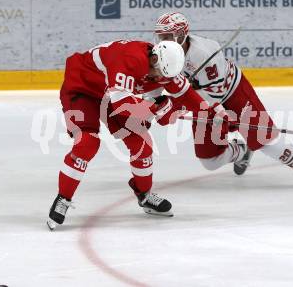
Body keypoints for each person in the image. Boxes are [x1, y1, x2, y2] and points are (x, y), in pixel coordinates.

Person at [47, 40, 221, 230]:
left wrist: (210, 112)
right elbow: (122, 105)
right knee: (87, 143)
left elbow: (185, 93)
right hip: (83, 88)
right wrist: (155, 109)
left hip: (110, 94)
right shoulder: (130, 59)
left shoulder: (165, 67)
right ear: (153, 59)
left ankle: (144, 195)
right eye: (160, 75)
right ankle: (63, 198)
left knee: (143, 146)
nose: (161, 80)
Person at [153, 12, 293, 178]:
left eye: (167, 36)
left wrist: (176, 107)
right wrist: (150, 106)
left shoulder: (204, 53)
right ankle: (241, 152)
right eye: (161, 37)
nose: (162, 42)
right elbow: (155, 83)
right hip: (202, 101)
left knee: (269, 143)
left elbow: (214, 95)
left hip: (234, 94)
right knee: (210, 161)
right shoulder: (160, 54)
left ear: (181, 34)